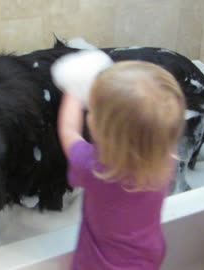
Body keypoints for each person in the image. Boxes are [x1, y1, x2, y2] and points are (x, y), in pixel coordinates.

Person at [56, 59, 186, 270]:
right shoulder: (164, 159)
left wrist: (72, 88)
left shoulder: (93, 166)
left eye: (94, 111)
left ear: (100, 130)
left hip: (97, 264)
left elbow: (68, 130)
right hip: (146, 257)